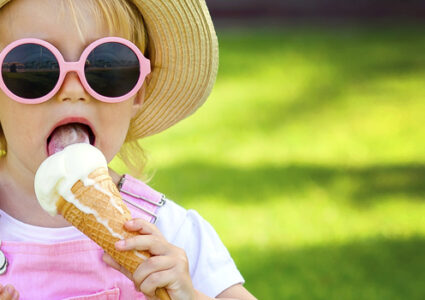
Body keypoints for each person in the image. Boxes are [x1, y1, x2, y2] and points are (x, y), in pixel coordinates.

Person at [0, 0, 257, 299]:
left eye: (106, 65)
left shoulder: (168, 234)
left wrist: (188, 294)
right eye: (35, 66)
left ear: (138, 93)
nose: (73, 90)